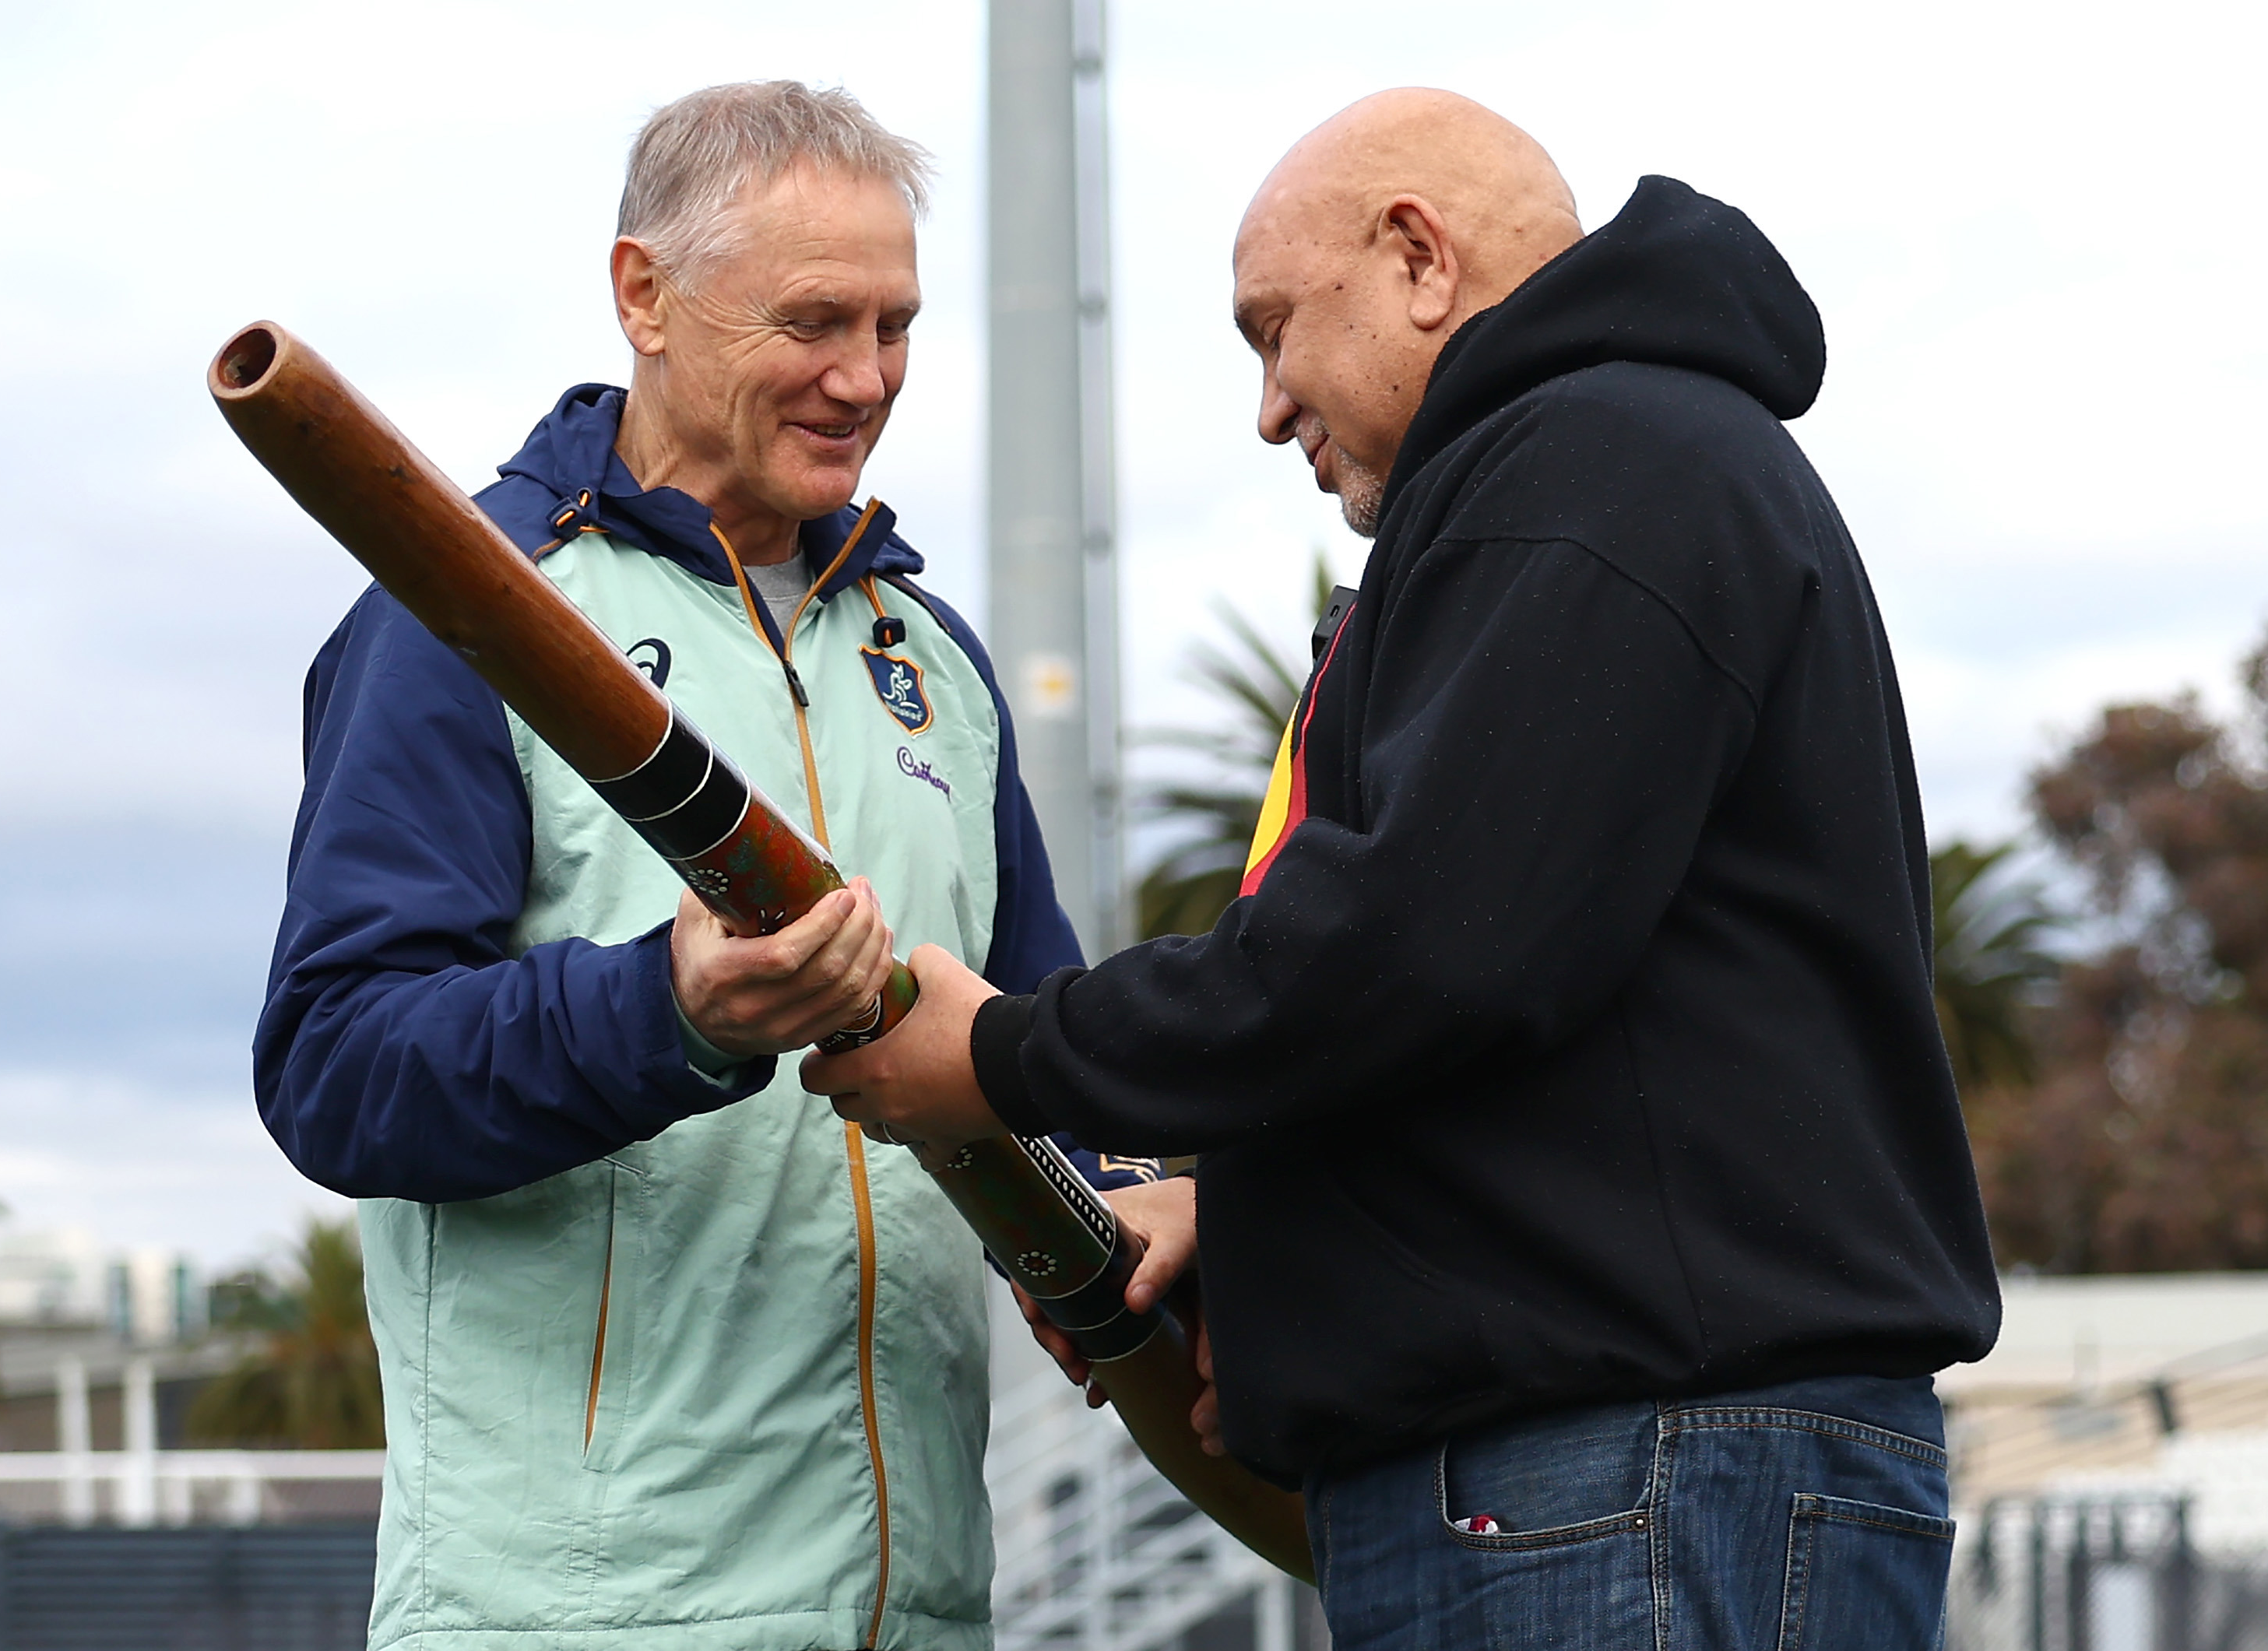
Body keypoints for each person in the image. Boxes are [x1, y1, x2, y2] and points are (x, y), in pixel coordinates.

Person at [805, 88, 2003, 1649]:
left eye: (1273, 328)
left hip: (1624, 1480)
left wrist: (1003, 1053)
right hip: (1634, 1475)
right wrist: (1254, 1218)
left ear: (1420, 256)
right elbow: (1566, 1014)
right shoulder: (1623, 465)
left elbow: (1425, 944)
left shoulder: (1594, 463)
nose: (1268, 403)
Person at [255, 81, 1155, 1651]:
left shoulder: (934, 664)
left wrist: (1154, 1195)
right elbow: (335, 1067)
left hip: (926, 1613)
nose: (863, 376)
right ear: (643, 294)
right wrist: (672, 1011)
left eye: (896, 324)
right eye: (813, 318)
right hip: (574, 1617)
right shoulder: (457, 612)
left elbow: (1051, 1051)